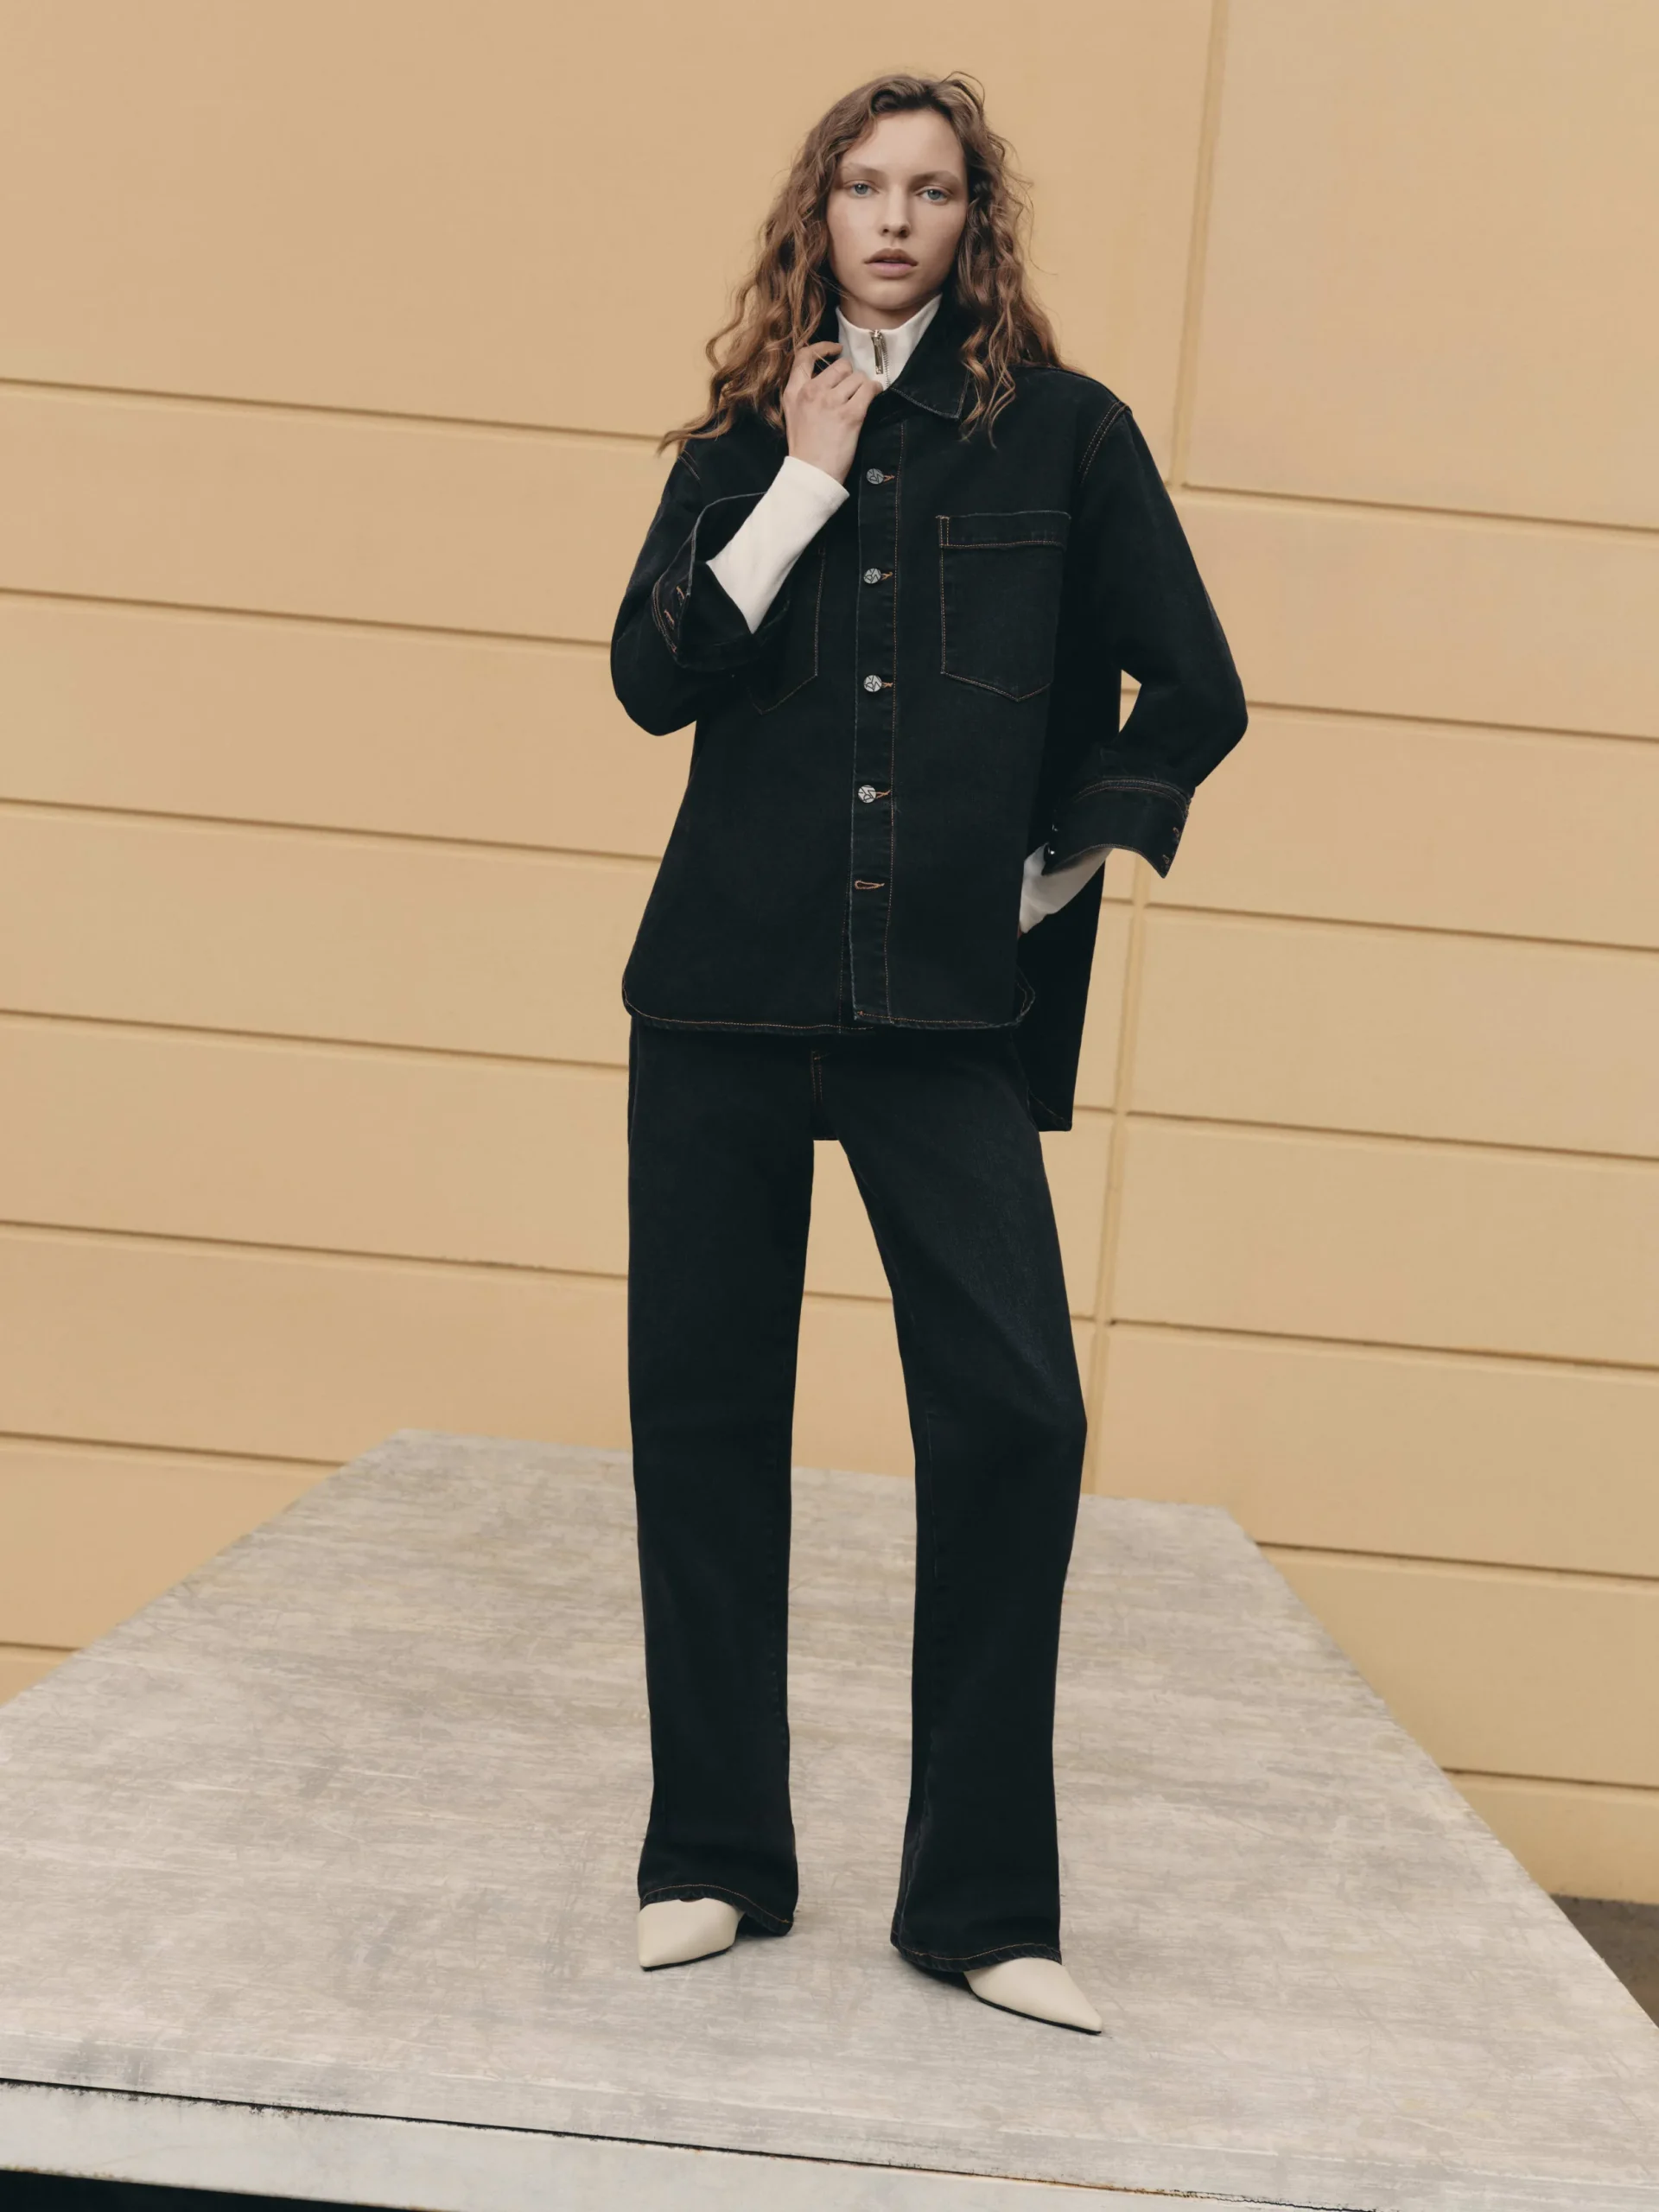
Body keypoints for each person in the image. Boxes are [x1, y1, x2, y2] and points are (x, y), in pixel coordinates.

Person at [610, 70, 1246, 2032]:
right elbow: (652, 679)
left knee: (1019, 1416)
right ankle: (715, 1855)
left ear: (980, 223)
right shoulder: (743, 442)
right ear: (819, 214)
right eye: (866, 186)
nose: (897, 218)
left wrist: (1060, 863)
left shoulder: (1068, 437)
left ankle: (978, 1903)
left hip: (943, 1017)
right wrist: (801, 482)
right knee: (706, 1424)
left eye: (936, 188)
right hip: (719, 1002)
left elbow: (1195, 687)